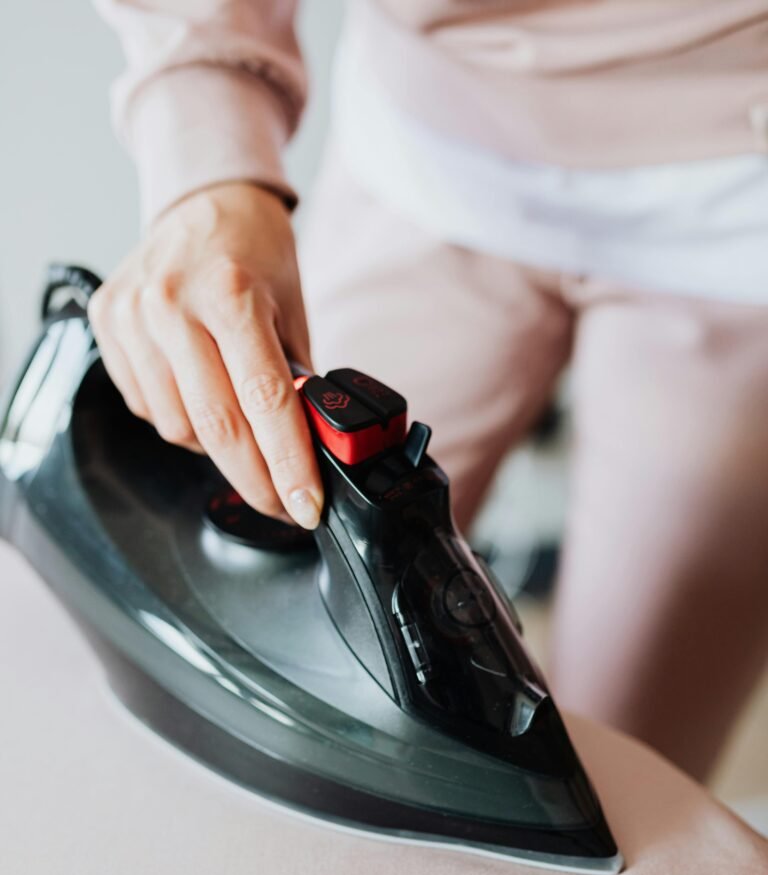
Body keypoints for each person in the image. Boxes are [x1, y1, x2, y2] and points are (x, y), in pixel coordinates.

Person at [90, 0, 768, 784]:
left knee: (628, 770)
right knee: (275, 646)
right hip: (423, 156)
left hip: (736, 208)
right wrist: (204, 152)